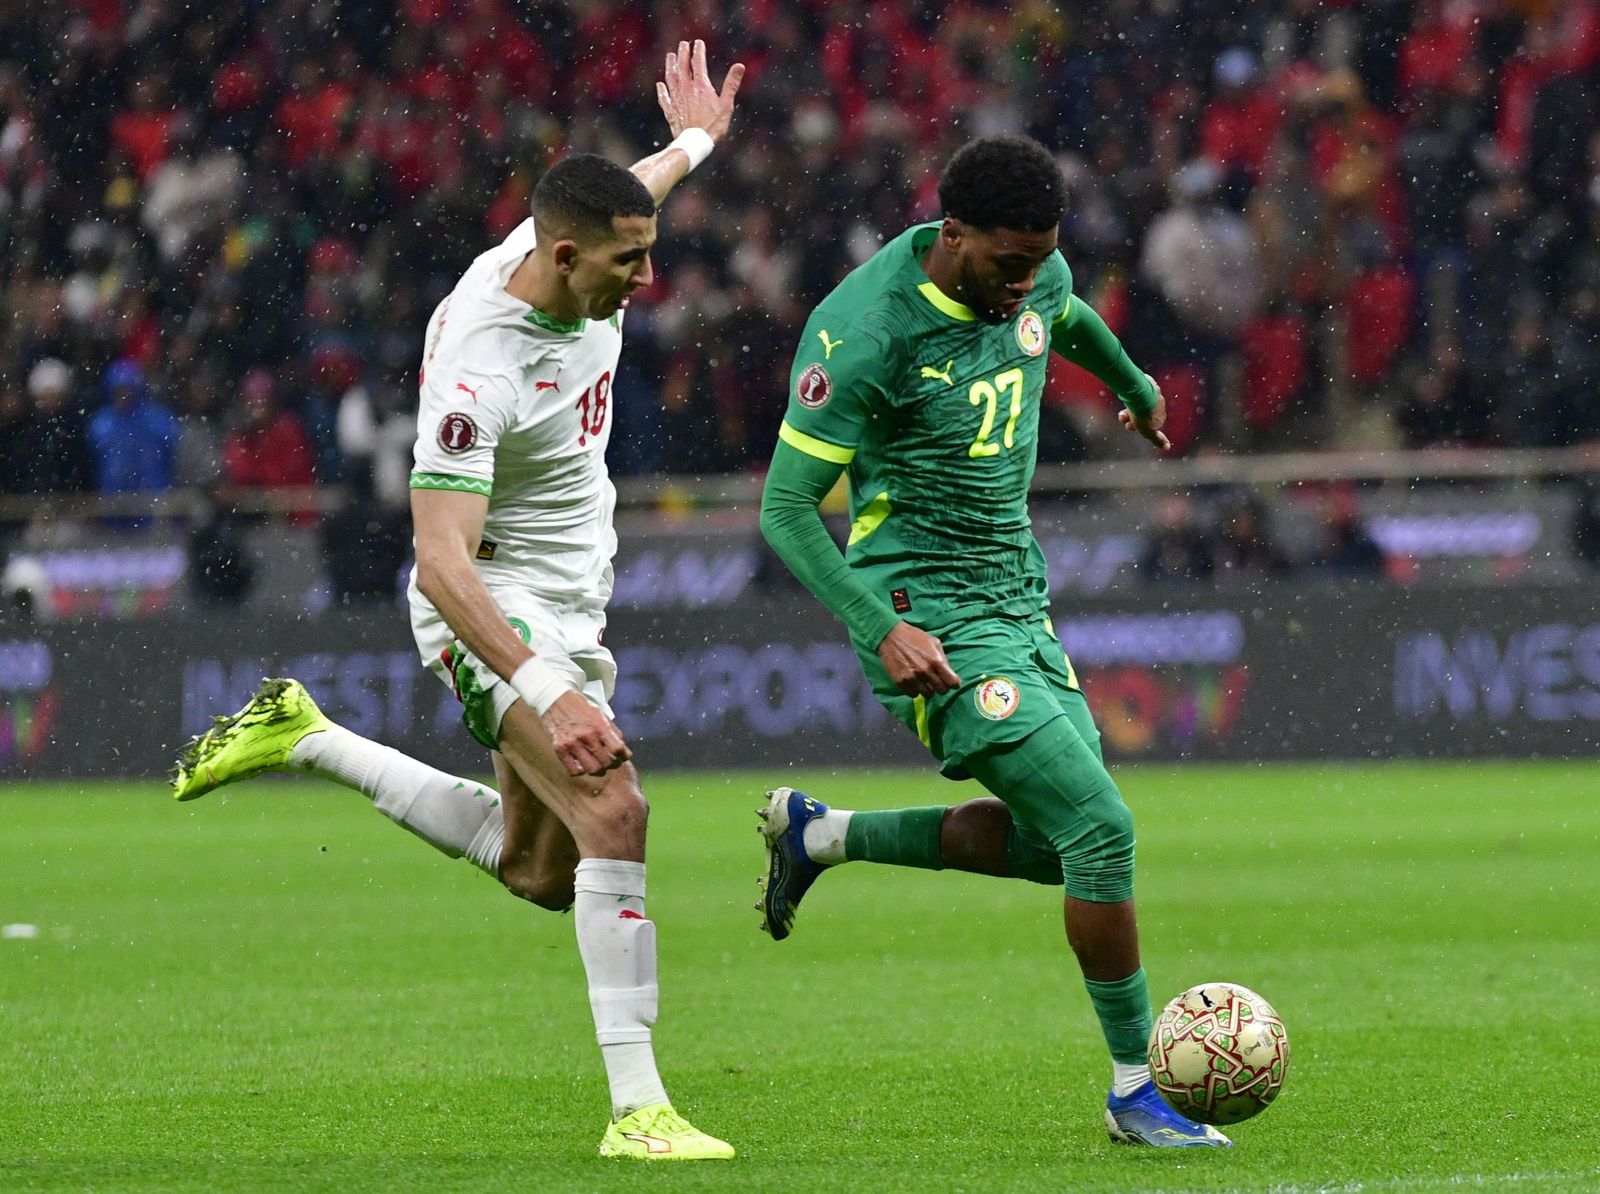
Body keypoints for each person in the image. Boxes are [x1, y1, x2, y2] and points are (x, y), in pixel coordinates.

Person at [170, 41, 745, 1162]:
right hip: (491, 605)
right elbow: (440, 560)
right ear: (564, 255)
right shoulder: (482, 366)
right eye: (629, 266)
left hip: (571, 605)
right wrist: (544, 687)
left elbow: (635, 199)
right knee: (615, 810)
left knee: (543, 871)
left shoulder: (577, 251)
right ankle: (640, 1112)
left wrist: (694, 144)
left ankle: (310, 737)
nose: (646, 283)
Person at [756, 136, 1231, 1148]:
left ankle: (819, 835)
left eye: (1037, 260)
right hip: (923, 612)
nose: (1024, 283)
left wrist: (1133, 381)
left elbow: (1067, 314)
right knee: (1101, 830)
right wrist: (882, 631)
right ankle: (1135, 1090)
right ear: (951, 234)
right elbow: (788, 511)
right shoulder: (864, 333)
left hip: (1016, 597)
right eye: (1005, 265)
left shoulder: (1034, 269)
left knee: (1054, 850)